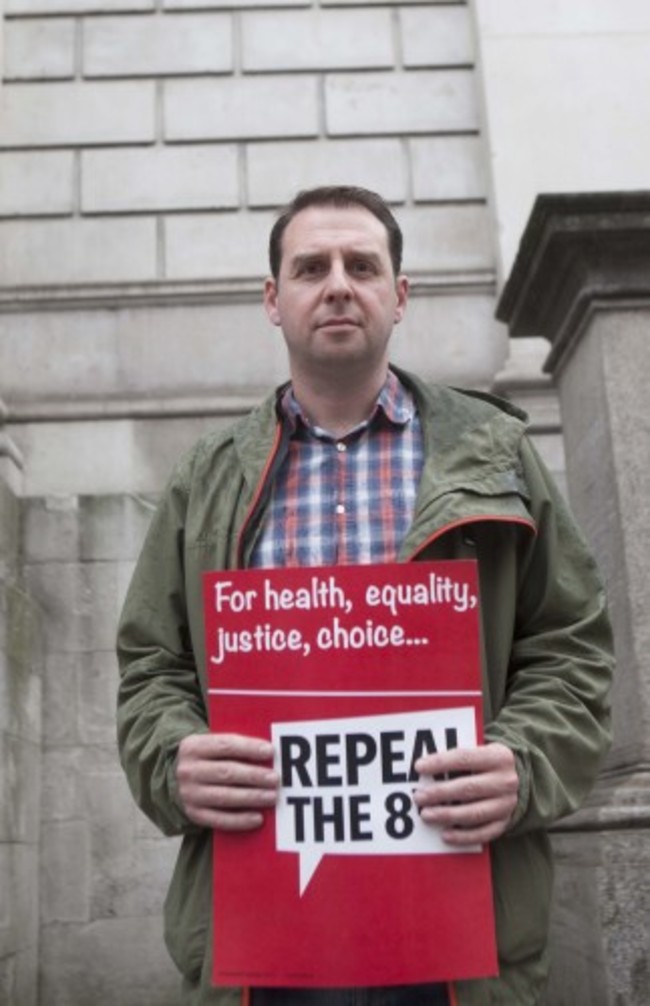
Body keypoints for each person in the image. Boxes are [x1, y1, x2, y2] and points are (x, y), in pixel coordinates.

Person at [116, 186, 614, 1006]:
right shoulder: (205, 478)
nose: (338, 284)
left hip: (458, 941)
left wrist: (521, 763)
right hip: (262, 938)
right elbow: (151, 663)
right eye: (310, 267)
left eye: (362, 265)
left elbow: (570, 646)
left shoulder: (494, 453)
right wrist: (174, 758)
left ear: (400, 294)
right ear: (274, 301)